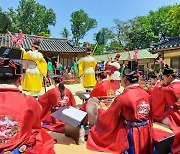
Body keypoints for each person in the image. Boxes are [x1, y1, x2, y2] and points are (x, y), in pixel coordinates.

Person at [86, 67, 153, 154]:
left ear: (126, 79)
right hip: (146, 130)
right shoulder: (146, 94)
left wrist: (100, 110)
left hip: (132, 134)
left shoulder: (123, 97)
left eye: (121, 78)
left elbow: (109, 116)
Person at [0, 48, 54, 153]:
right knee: (41, 137)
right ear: (20, 80)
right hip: (18, 149)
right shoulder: (30, 102)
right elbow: (36, 127)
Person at [150, 64, 180, 153]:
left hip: (175, 115)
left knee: (156, 117)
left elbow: (156, 92)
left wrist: (159, 85)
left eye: (164, 78)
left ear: (170, 76)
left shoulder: (169, 89)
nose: (164, 80)